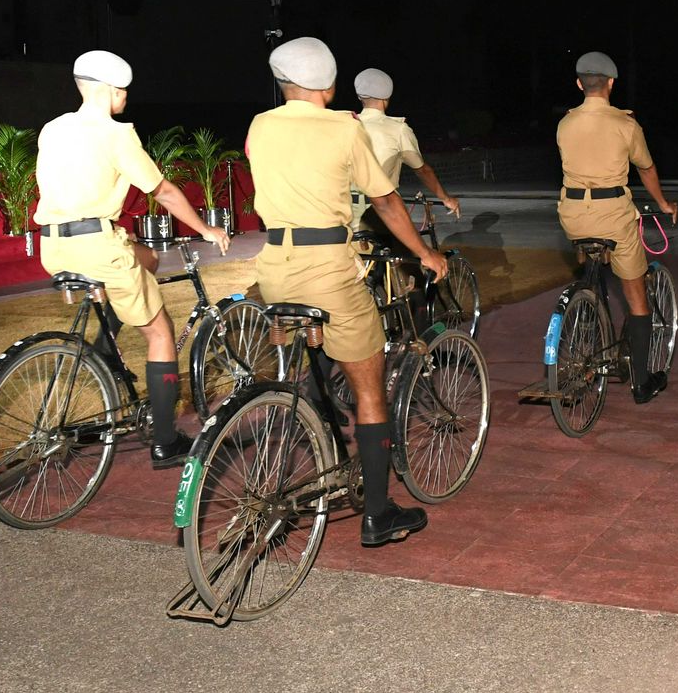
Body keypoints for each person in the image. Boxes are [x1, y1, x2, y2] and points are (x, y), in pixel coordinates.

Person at [247, 37, 449, 547]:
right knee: (369, 387)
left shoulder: (260, 125)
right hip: (328, 267)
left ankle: (318, 433)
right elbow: (385, 201)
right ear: (330, 83)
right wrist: (425, 254)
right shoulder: (344, 128)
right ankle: (378, 514)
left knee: (313, 352)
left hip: (274, 267)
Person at [33, 50, 230, 466]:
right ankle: (165, 441)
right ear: (110, 90)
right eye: (123, 90)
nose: (126, 97)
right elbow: (164, 191)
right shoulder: (116, 134)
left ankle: (105, 358)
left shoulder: (54, 128)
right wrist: (205, 229)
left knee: (148, 260)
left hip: (54, 245)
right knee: (160, 332)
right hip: (97, 245)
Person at [557, 51, 678, 404]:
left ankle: (589, 310)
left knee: (592, 265)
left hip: (572, 214)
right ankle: (642, 383)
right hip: (612, 214)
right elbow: (646, 168)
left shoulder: (565, 124)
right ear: (611, 83)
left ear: (579, 84)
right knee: (636, 296)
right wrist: (663, 203)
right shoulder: (626, 125)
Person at [349, 67, 460, 238]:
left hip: (342, 213)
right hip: (381, 214)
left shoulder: (346, 125)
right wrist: (446, 198)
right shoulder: (398, 129)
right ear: (387, 96)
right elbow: (422, 170)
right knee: (409, 251)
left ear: (359, 96)